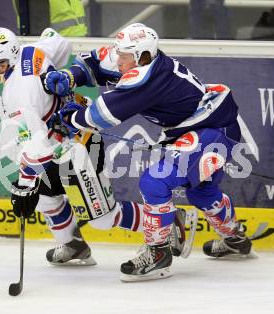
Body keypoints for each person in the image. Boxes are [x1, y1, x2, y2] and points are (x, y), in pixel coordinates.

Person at [44, 23, 253, 282]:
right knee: (202, 191)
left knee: (155, 182)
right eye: (118, 53)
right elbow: (94, 63)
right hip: (201, 125)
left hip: (213, 129)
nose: (118, 59)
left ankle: (158, 254)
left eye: (124, 56)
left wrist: (73, 118)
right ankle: (235, 239)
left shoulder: (148, 78)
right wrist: (71, 76)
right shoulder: (135, 58)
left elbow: (102, 114)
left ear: (142, 57)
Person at [0, 27, 190, 269]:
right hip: (61, 140)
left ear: (2, 63)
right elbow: (58, 41)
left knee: (104, 218)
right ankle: (73, 244)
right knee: (45, 197)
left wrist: (24, 185)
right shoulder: (30, 51)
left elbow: (38, 150)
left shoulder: (17, 95)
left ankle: (170, 223)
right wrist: (63, 76)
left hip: (78, 146)